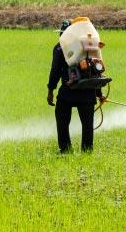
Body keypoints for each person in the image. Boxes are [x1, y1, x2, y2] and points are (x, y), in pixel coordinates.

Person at [47, 20, 105, 154]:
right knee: (87, 124)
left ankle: (65, 149)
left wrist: (50, 90)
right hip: (88, 92)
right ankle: (87, 151)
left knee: (62, 119)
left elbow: (55, 70)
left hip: (68, 91)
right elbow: (95, 71)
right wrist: (98, 93)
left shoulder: (60, 47)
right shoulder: (88, 46)